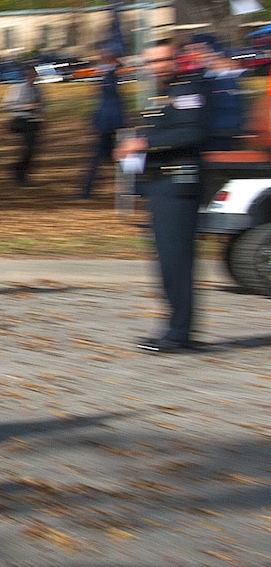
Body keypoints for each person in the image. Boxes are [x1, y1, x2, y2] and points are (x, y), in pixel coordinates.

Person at [117, 38, 211, 352]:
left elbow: (191, 133)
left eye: (160, 60)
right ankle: (174, 329)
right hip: (160, 187)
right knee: (167, 263)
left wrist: (143, 143)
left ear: (175, 60)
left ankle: (179, 334)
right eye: (150, 61)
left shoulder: (186, 89)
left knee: (176, 262)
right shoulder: (165, 93)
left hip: (177, 188)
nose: (154, 67)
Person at [78, 44, 126, 198]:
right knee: (105, 156)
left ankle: (87, 188)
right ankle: (87, 188)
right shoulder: (108, 74)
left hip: (109, 121)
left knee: (103, 157)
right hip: (109, 121)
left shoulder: (109, 74)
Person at [3, 65, 43, 184]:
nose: (34, 77)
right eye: (31, 74)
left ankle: (18, 168)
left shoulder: (37, 89)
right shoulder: (17, 88)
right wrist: (26, 107)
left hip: (33, 121)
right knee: (28, 149)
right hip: (21, 121)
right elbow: (8, 105)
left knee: (31, 150)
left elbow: (42, 104)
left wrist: (39, 109)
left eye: (35, 74)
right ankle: (20, 174)